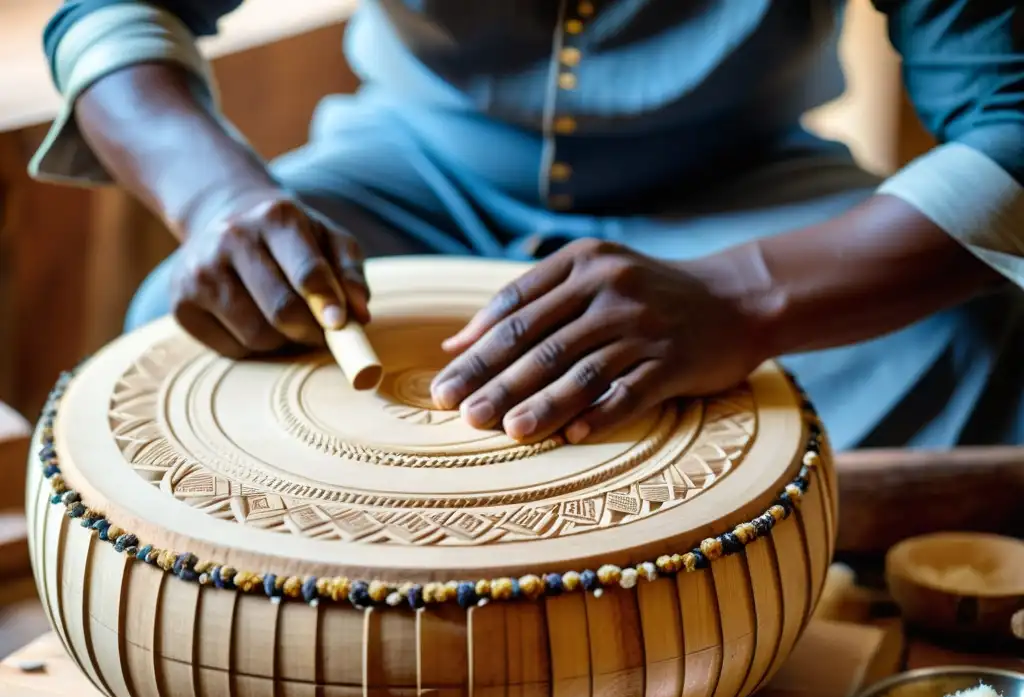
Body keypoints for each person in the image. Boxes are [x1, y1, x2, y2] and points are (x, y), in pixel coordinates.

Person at [32, 0, 1023, 451]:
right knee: (184, 324)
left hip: (743, 191)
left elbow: (1012, 124)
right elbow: (109, 13)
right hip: (410, 177)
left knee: (970, 355)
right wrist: (215, 200)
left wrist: (742, 295)